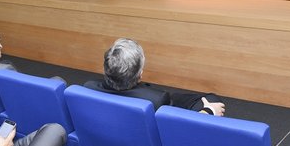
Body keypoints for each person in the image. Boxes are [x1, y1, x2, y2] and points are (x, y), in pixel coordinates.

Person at [85, 38, 226, 116]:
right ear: (140, 74)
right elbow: (176, 129)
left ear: (106, 68)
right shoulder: (155, 101)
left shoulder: (88, 88)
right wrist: (207, 112)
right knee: (211, 100)